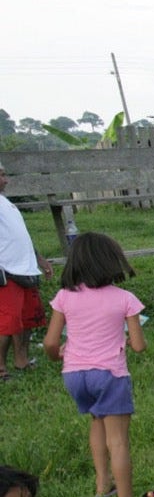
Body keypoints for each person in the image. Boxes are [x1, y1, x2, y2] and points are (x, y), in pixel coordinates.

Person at [43, 231, 146, 497]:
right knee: (119, 441)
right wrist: (130, 338)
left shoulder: (64, 297)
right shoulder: (125, 298)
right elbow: (138, 346)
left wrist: (58, 356)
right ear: (113, 262)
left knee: (96, 420)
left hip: (75, 375)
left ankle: (102, 486)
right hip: (110, 375)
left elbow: (51, 343)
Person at [0, 160, 54, 381]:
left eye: (4, 174)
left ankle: (21, 360)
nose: (5, 179)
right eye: (1, 175)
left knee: (29, 319)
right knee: (6, 322)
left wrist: (39, 259)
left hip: (25, 269)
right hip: (6, 271)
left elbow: (21, 236)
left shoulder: (7, 203)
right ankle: (1, 369)